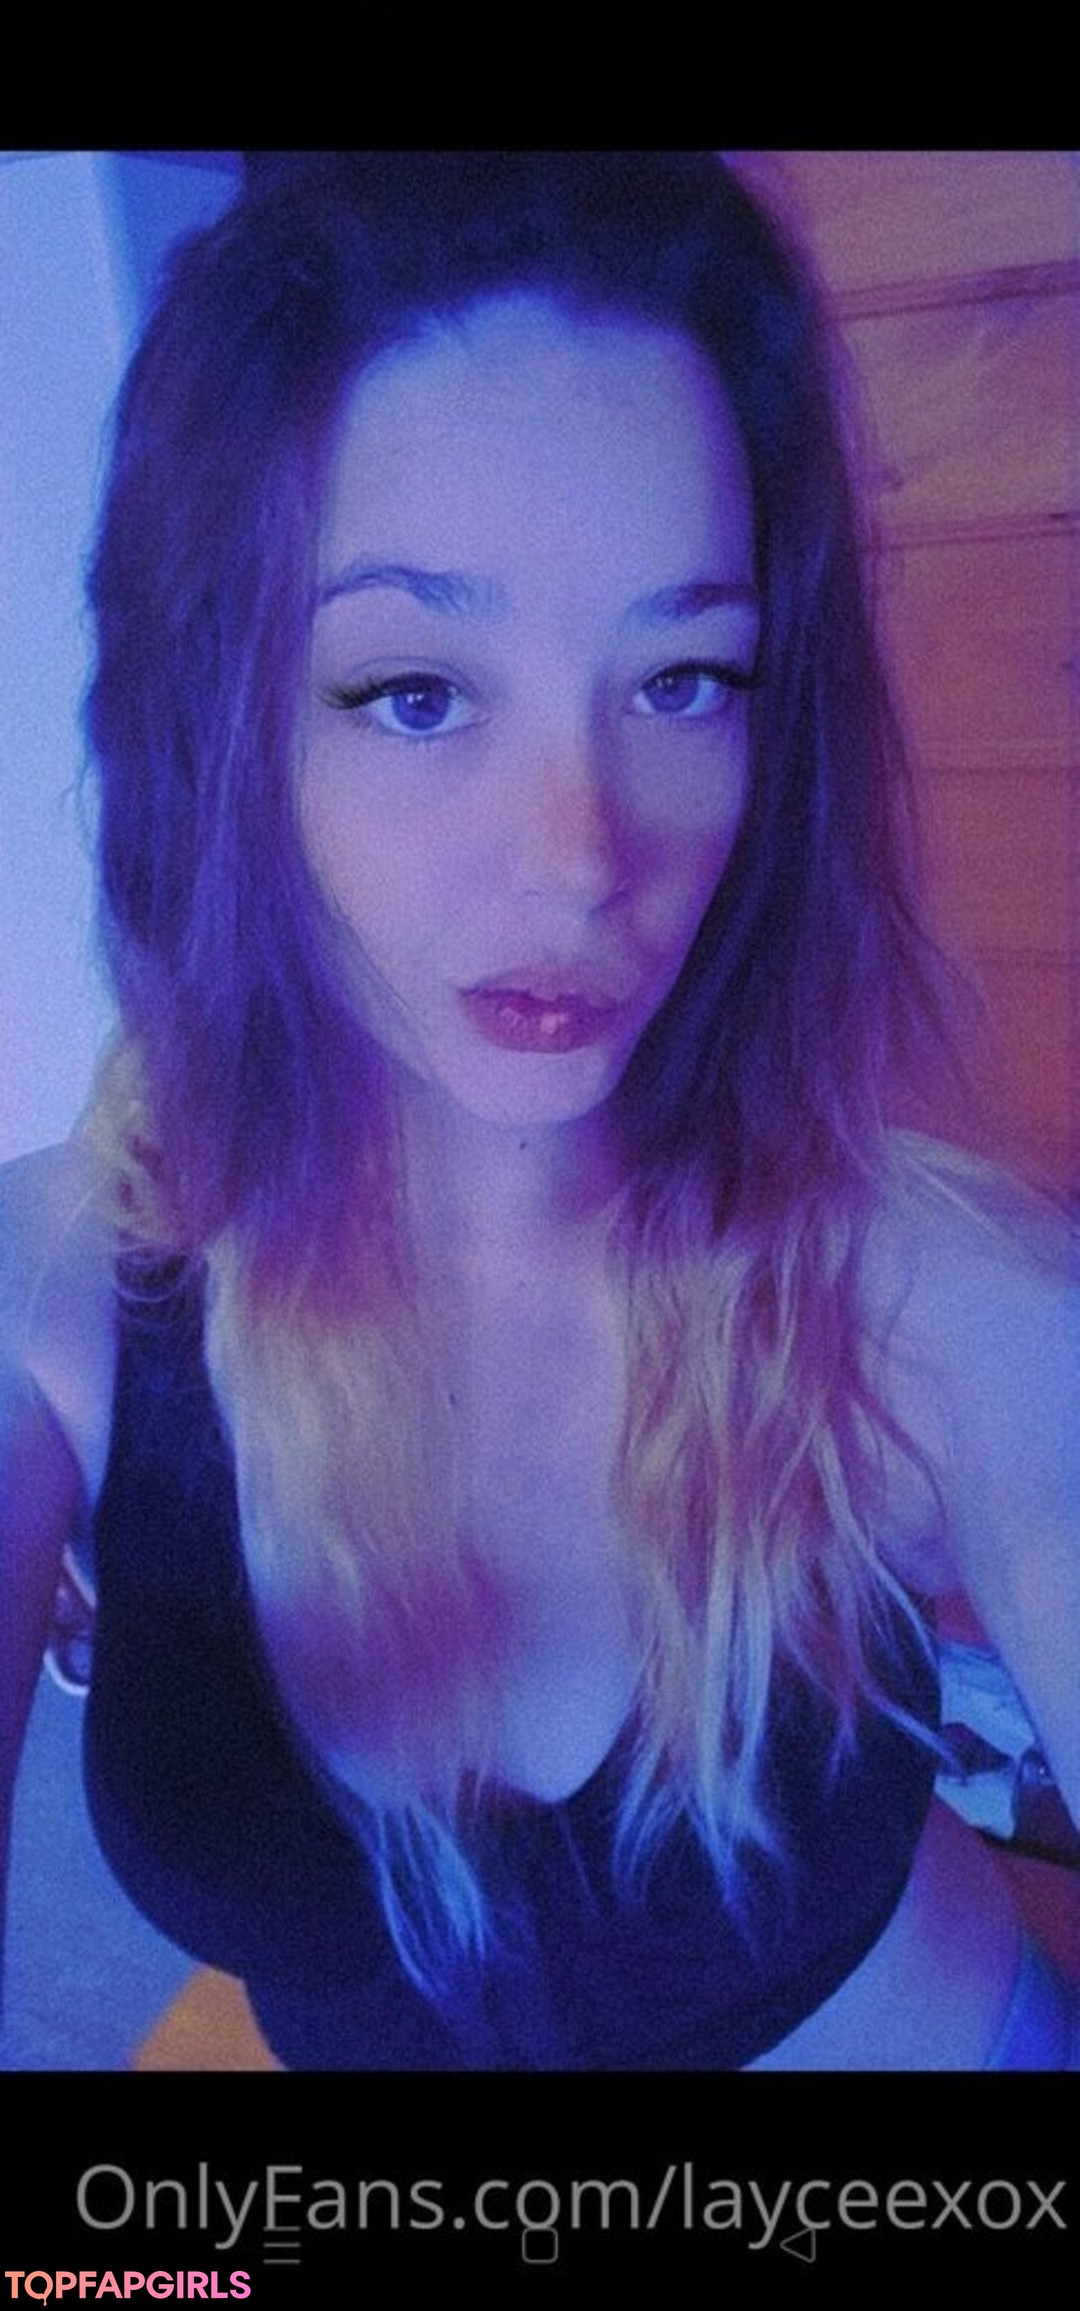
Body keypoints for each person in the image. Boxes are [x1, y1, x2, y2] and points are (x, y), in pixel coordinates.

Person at [0, 150, 1076, 2071]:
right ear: (220, 725)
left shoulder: (947, 1310)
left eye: (685, 679)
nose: (582, 861)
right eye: (417, 691)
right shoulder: (67, 1296)